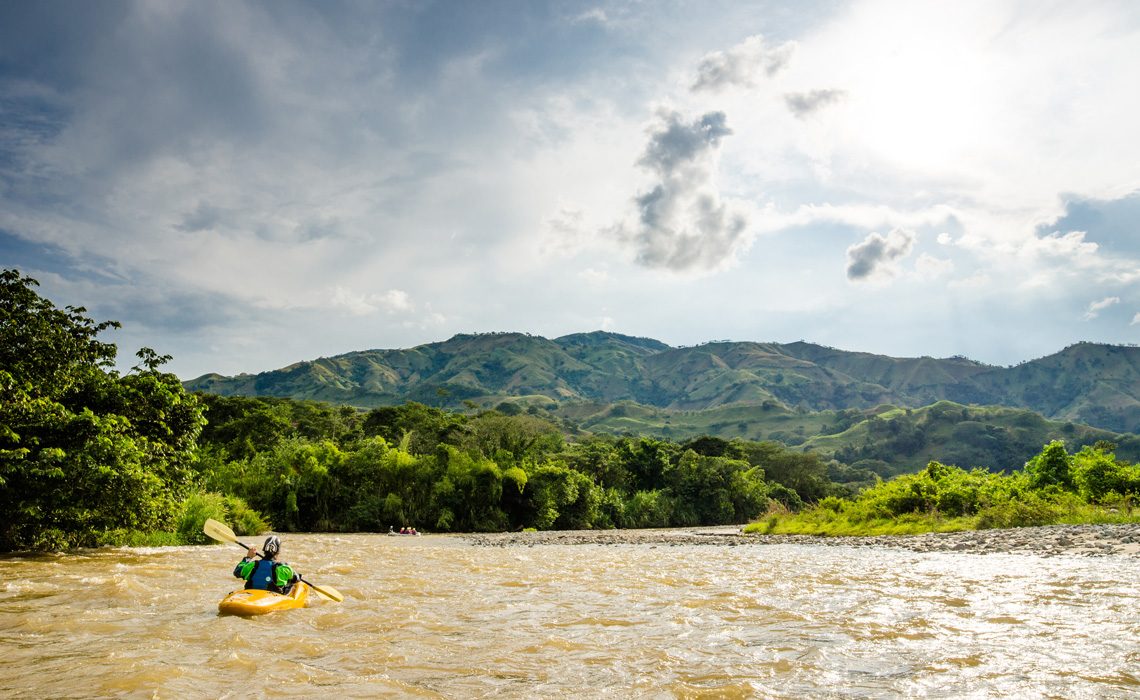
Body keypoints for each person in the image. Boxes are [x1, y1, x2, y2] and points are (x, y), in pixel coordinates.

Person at [233, 535, 300, 594]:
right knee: (290, 585)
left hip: (251, 595)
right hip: (272, 599)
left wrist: (248, 557)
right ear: (278, 552)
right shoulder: (284, 568)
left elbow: (237, 572)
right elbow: (296, 579)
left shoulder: (252, 565)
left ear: (264, 551)